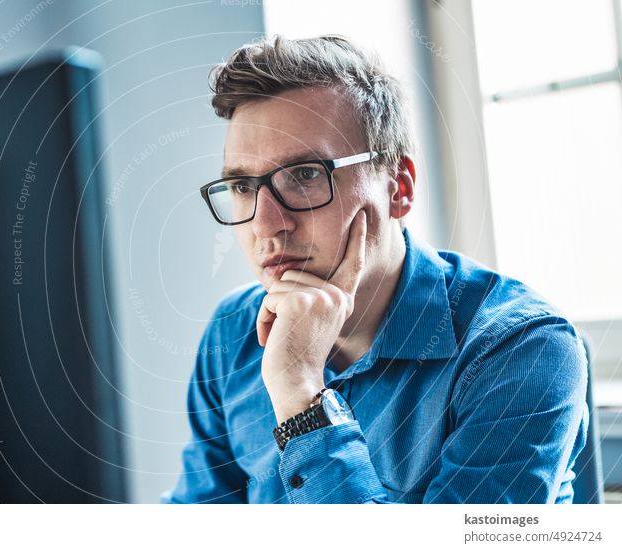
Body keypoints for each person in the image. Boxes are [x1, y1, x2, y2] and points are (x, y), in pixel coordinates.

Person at [161, 35, 588, 503]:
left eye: (305, 175)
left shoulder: (521, 349)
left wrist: (300, 393)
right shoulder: (233, 332)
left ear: (399, 189)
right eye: (243, 185)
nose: (267, 225)